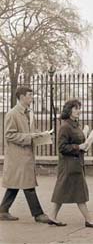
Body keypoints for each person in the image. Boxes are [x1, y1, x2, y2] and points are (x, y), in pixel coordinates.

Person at [0, 86, 50, 223]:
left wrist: (40, 135)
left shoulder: (28, 112)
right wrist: (29, 137)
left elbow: (28, 131)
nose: (31, 98)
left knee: (15, 184)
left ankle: (3, 210)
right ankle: (38, 214)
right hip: (18, 156)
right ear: (21, 97)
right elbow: (9, 135)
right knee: (28, 184)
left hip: (26, 154)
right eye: (29, 95)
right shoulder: (12, 114)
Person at [48, 99, 93, 228]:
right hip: (69, 164)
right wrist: (79, 147)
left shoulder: (75, 125)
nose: (79, 111)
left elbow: (77, 142)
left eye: (79, 108)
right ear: (69, 110)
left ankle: (52, 216)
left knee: (62, 191)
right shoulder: (65, 126)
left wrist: (85, 143)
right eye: (76, 108)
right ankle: (89, 220)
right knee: (79, 193)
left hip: (75, 163)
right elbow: (61, 147)